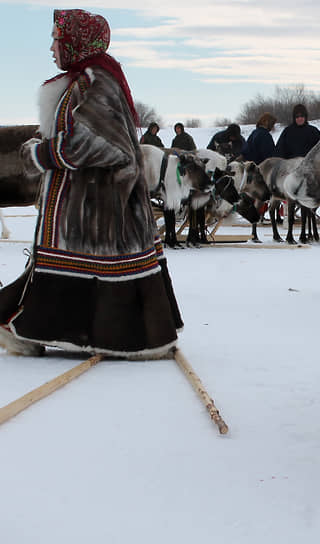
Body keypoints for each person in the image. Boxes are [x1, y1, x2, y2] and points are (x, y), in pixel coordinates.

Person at [2, 8, 183, 357]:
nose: (52, 48)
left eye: (57, 40)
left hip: (100, 208)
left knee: (90, 272)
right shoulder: (88, 79)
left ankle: (118, 338)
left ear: (76, 42)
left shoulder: (96, 82)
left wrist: (39, 155)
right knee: (65, 272)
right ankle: (36, 329)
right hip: (89, 208)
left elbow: (99, 143)